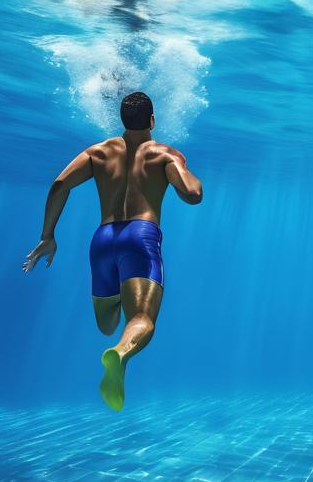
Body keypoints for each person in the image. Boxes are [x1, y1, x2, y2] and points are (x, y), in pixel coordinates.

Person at [23, 92, 203, 410]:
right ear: (152, 120)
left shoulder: (98, 152)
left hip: (103, 240)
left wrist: (48, 235)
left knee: (107, 323)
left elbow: (59, 184)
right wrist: (184, 170)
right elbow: (192, 194)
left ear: (122, 119)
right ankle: (120, 353)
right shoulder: (164, 154)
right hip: (140, 237)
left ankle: (122, 313)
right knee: (142, 317)